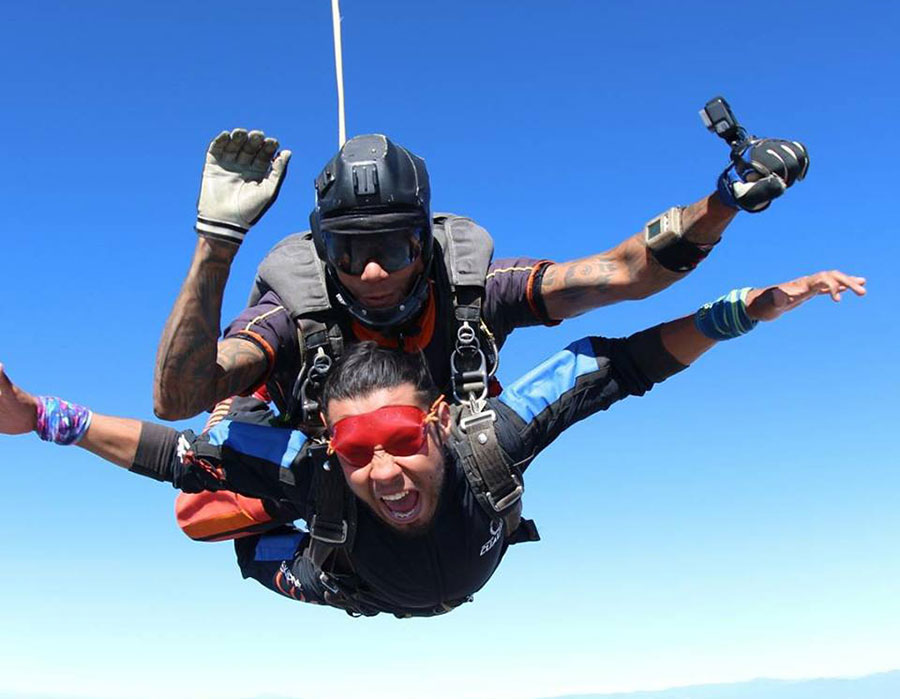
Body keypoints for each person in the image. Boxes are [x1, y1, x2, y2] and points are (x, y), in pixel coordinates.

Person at [0, 269, 865, 617]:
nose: (382, 469)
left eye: (400, 437)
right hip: (343, 575)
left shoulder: (493, 439)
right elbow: (173, 454)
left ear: (442, 421)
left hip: (415, 570)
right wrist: (43, 415)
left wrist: (744, 309)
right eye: (355, 449)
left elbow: (618, 363)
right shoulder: (327, 476)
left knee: (233, 463)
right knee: (225, 480)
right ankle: (265, 440)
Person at [153, 127, 810, 541]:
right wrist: (217, 241)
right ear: (324, 253)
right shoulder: (294, 309)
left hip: (432, 465)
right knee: (200, 508)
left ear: (425, 238)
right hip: (324, 464)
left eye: (396, 245)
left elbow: (621, 274)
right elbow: (178, 395)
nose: (374, 269)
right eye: (350, 252)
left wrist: (723, 200)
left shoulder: (473, 288)